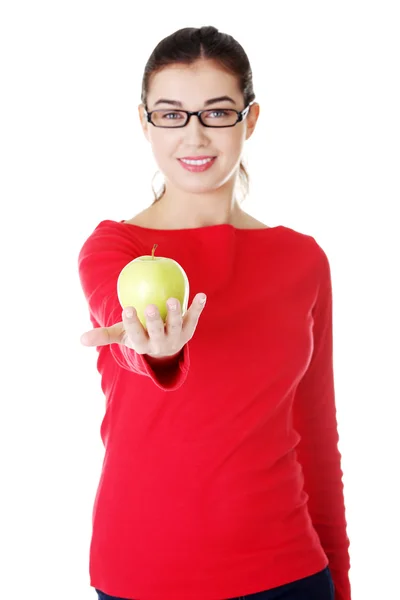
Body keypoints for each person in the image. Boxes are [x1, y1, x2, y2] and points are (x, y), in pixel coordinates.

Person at [78, 25, 351, 600]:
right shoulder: (113, 248)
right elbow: (121, 322)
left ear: (250, 120)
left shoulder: (302, 260)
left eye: (218, 112)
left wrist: (342, 583)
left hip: (290, 573)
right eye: (171, 114)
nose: (195, 135)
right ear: (145, 122)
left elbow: (317, 435)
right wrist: (153, 348)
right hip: (142, 573)